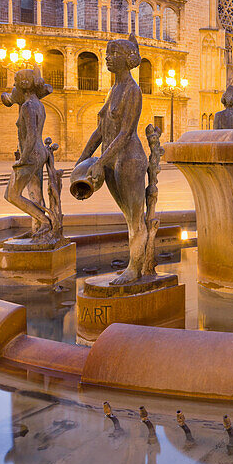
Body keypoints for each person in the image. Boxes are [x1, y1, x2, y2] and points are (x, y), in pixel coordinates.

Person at [72, 36, 153, 284]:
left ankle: (134, 267)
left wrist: (100, 161)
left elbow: (126, 132)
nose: (107, 57)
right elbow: (100, 129)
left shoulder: (132, 90)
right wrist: (83, 158)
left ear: (128, 59)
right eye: (107, 53)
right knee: (127, 216)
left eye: (113, 53)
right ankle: (138, 263)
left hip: (129, 158)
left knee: (135, 216)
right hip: (111, 159)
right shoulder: (112, 90)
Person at [1, 67, 59, 239]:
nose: (14, 86)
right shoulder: (38, 104)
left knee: (11, 194)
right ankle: (37, 230)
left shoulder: (27, 106)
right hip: (40, 153)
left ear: (22, 85)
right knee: (35, 194)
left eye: (16, 82)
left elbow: (32, 134)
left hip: (31, 154)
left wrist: (23, 159)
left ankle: (45, 221)